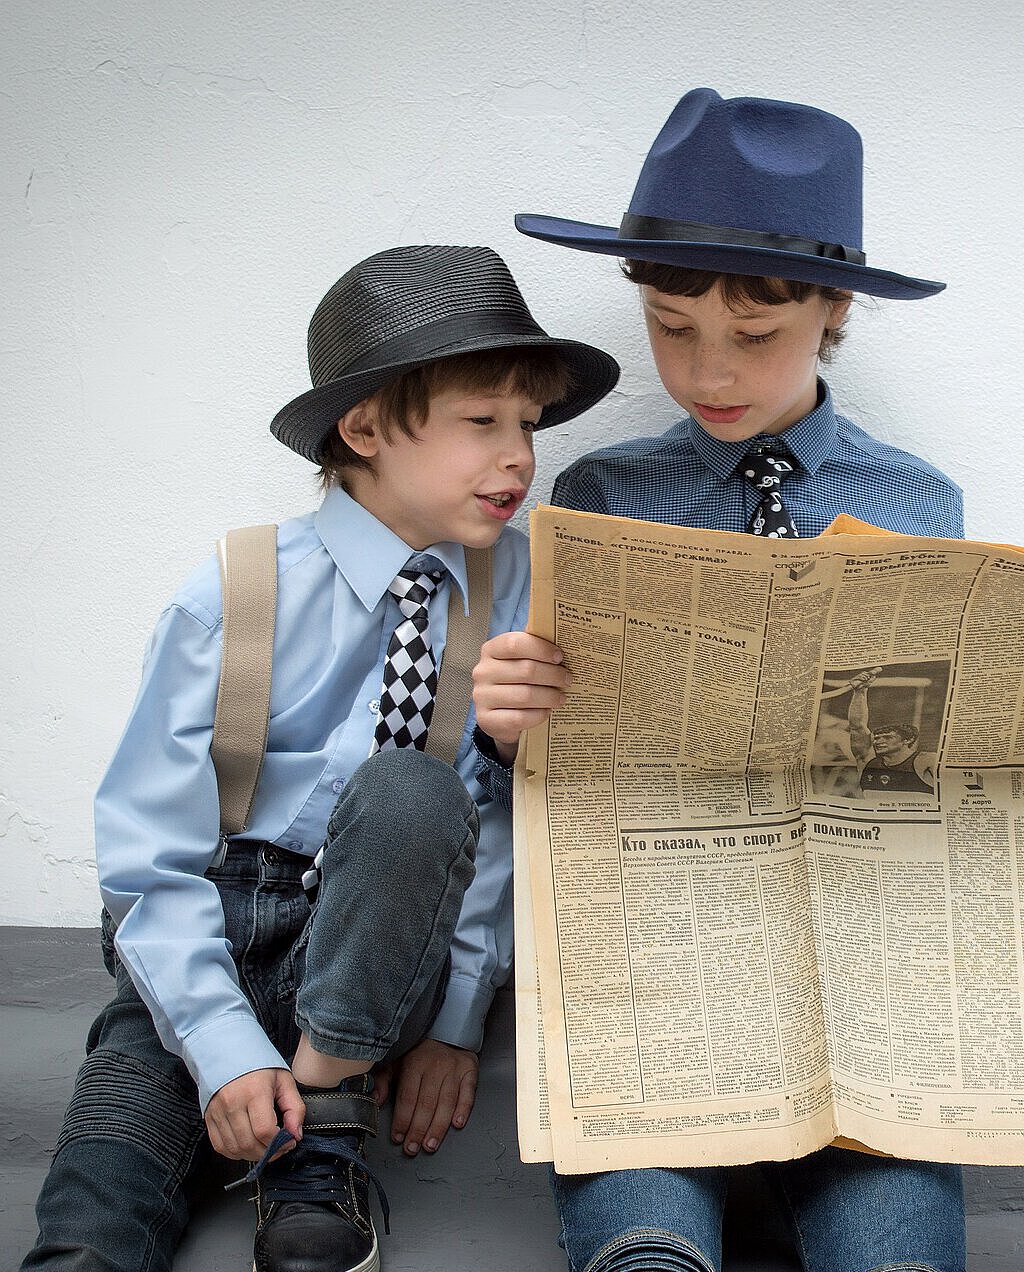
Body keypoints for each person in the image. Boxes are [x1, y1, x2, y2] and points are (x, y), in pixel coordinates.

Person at [472, 90, 1024, 1272]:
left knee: (898, 1251)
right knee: (641, 1240)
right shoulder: (598, 495)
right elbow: (556, 772)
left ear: (835, 308)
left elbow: (943, 767)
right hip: (656, 987)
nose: (708, 371)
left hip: (871, 1002)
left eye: (756, 338)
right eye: (668, 325)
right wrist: (508, 727)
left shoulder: (921, 503)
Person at [21, 245, 619, 1272]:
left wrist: (460, 1020)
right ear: (365, 428)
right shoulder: (237, 589)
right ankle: (181, 1135)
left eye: (528, 423)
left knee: (412, 787)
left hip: (387, 946)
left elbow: (506, 824)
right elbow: (146, 860)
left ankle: (324, 1126)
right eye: (484, 422)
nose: (520, 454)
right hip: (219, 925)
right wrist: (218, 1048)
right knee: (95, 1205)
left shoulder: (527, 585)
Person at [845, 667, 936, 794]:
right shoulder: (868, 761)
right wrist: (860, 691)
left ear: (907, 740)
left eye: (888, 737)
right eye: (877, 738)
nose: (879, 742)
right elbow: (857, 726)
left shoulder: (925, 760)